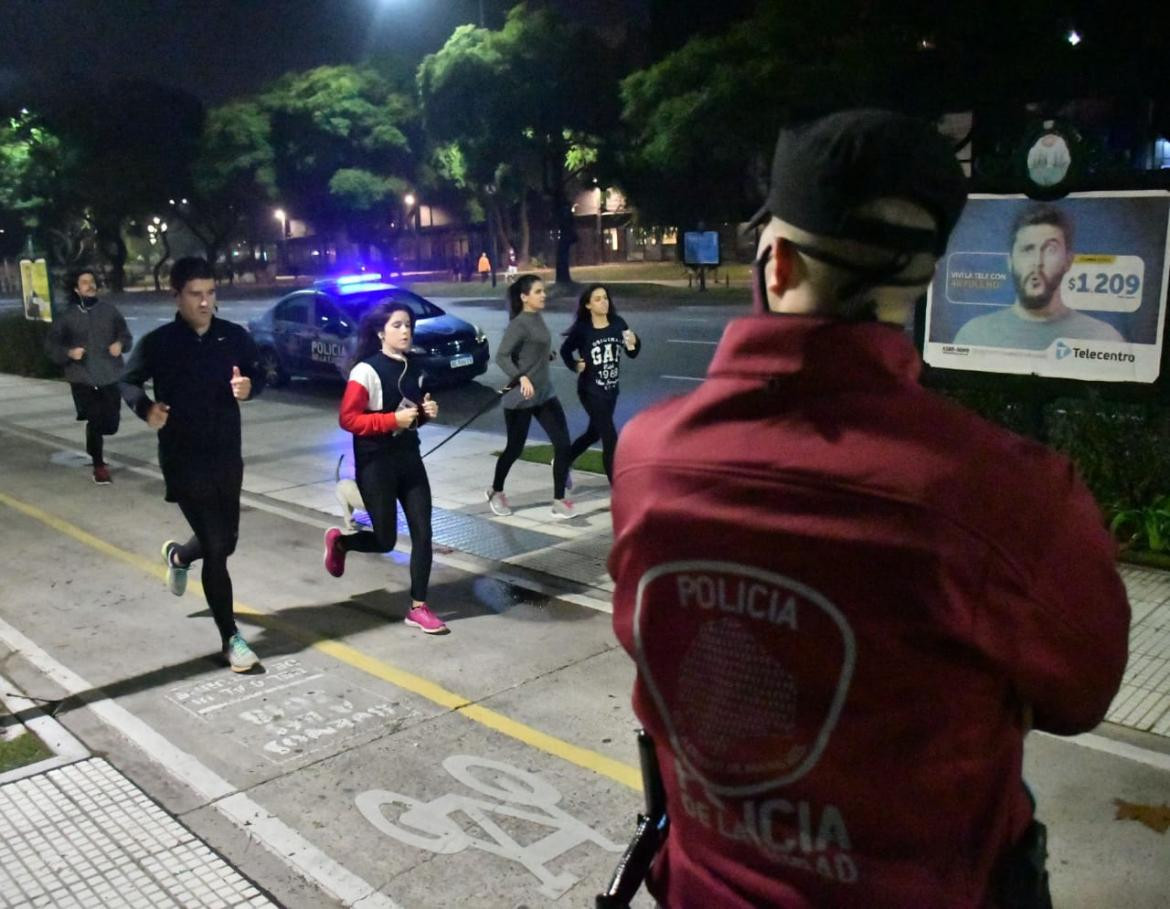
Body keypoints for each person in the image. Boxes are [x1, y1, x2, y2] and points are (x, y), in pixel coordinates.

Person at [608, 110, 1130, 908]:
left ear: (775, 264)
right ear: (919, 279)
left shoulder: (647, 460)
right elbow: (1082, 692)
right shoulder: (1011, 496)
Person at [120, 257, 265, 672]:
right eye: (195, 294)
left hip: (225, 454)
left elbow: (260, 374)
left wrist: (249, 387)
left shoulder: (233, 337)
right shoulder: (160, 342)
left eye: (211, 293)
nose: (205, 303)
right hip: (182, 458)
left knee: (227, 540)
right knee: (218, 547)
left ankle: (180, 557)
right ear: (177, 296)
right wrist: (145, 407)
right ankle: (231, 638)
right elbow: (127, 381)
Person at [323, 301, 448, 635]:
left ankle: (419, 606)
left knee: (424, 533)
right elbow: (348, 418)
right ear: (380, 332)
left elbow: (411, 418)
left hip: (409, 458)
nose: (405, 331)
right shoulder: (365, 371)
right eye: (397, 325)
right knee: (385, 540)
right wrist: (393, 419)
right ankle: (341, 543)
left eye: (408, 325)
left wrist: (424, 414)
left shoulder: (414, 367)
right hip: (376, 463)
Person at [953, 204, 1124, 349]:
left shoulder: (1105, 339)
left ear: (1068, 261)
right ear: (1010, 261)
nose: (1037, 262)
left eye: (1050, 249)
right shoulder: (973, 336)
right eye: (1028, 249)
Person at [486, 274, 575, 519]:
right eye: (538, 292)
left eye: (543, 291)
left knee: (563, 444)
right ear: (524, 297)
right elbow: (502, 356)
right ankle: (495, 491)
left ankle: (559, 500)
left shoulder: (537, 317)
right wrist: (521, 377)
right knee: (514, 449)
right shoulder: (519, 324)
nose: (543, 295)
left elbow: (531, 349)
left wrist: (547, 355)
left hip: (544, 393)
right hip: (521, 397)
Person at [45, 268, 132, 485]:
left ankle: (93, 444)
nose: (90, 285)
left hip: (110, 374)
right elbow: (51, 345)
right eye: (85, 282)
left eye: (92, 281)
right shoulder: (67, 317)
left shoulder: (109, 311)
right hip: (81, 377)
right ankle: (99, 465)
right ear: (76, 289)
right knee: (94, 419)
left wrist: (120, 344)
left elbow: (126, 335)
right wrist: (69, 353)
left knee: (111, 424)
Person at [559, 283, 641, 483]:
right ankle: (619, 489)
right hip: (590, 390)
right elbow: (565, 350)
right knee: (610, 438)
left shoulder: (617, 323)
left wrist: (633, 344)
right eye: (597, 299)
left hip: (611, 390)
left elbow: (632, 352)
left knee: (593, 433)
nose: (603, 302)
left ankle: (563, 462)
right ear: (588, 305)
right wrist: (574, 364)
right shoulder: (583, 329)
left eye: (605, 297)